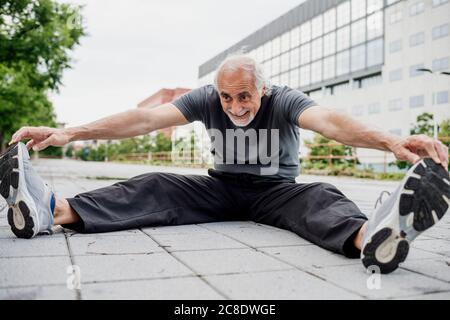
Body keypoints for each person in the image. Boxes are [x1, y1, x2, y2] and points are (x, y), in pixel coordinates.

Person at [1, 55, 448, 274]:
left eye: (244, 96)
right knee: (156, 183)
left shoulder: (285, 98)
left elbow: (330, 123)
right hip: (221, 187)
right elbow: (144, 118)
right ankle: (49, 210)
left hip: (278, 191)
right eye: (226, 97)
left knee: (320, 196)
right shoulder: (206, 98)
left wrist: (388, 141)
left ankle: (377, 237)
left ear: (263, 91)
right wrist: (69, 132)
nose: (234, 106)